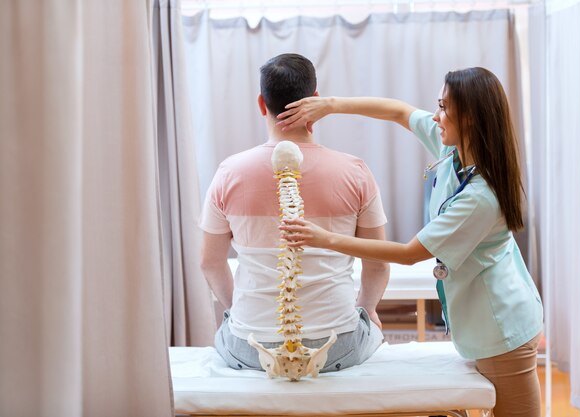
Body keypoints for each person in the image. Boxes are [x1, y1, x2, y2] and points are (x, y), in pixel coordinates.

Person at [277, 67, 544, 416]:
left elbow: (408, 253)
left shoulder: (480, 197)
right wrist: (329, 105)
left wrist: (324, 238)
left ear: (472, 118)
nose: (437, 116)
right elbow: (399, 111)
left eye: (445, 108)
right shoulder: (455, 151)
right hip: (484, 326)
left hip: (504, 332)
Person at [199, 53, 390, 373]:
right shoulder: (355, 171)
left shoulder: (228, 173)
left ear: (262, 104)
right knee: (368, 327)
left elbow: (210, 262)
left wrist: (239, 313)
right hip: (336, 345)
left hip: (250, 348)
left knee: (226, 329)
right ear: (316, 101)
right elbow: (378, 263)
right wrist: (366, 310)